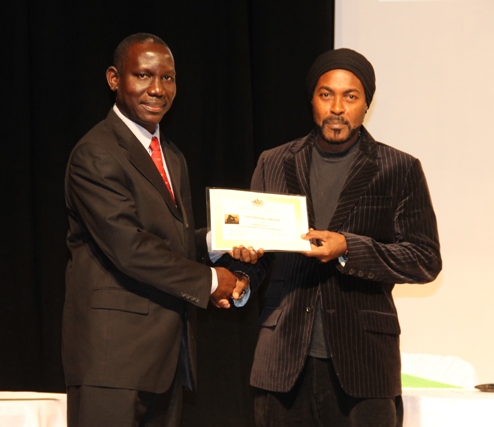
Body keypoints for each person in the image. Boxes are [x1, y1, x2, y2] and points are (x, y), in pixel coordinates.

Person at [63, 33, 262, 427]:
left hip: (165, 359)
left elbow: (171, 241)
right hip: (112, 363)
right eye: (143, 75)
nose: (157, 89)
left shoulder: (170, 154)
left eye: (168, 78)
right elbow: (129, 248)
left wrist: (219, 241)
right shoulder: (95, 153)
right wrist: (209, 282)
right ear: (114, 78)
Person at [247, 48, 442, 426]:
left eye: (350, 96)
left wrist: (348, 248)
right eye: (326, 94)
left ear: (366, 103)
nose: (337, 107)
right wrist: (243, 269)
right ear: (313, 100)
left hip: (364, 364)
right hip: (283, 361)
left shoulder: (399, 169)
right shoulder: (273, 162)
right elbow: (263, 252)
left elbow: (424, 258)